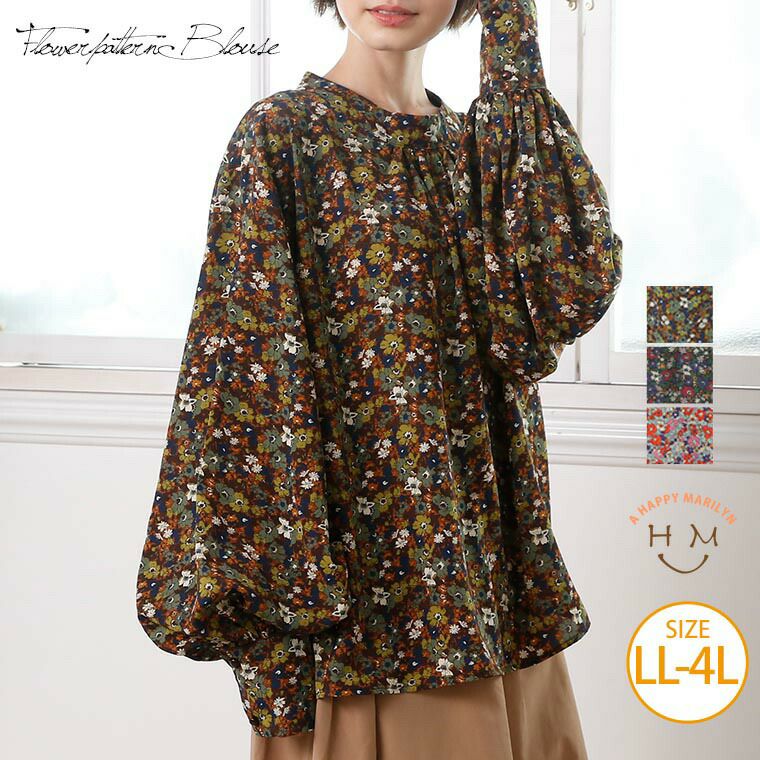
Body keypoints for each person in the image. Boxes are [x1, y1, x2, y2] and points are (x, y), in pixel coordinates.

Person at [135, 1, 623, 758]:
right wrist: (290, 591)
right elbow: (241, 373)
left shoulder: (482, 150)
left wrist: (514, 40)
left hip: (492, 572)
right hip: (366, 594)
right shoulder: (281, 136)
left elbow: (565, 290)